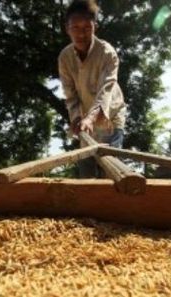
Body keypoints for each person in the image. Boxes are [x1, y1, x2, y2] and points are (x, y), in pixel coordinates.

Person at [58, 0, 127, 178]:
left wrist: (90, 117)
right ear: (67, 29)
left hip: (110, 117)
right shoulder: (65, 58)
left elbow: (106, 90)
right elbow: (70, 95)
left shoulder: (107, 53)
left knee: (110, 171)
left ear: (95, 27)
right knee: (86, 175)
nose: (81, 33)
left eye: (87, 28)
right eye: (75, 28)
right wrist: (76, 119)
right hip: (86, 124)